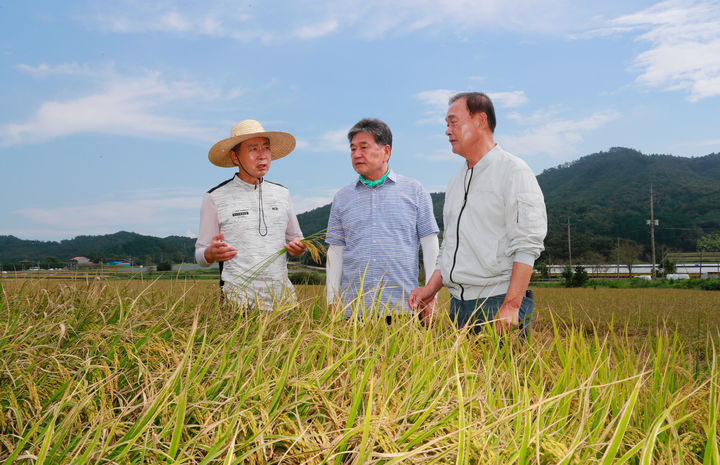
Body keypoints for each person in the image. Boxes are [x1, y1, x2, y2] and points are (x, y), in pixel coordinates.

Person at [409, 93, 547, 336]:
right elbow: (450, 246)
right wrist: (429, 289)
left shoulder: (514, 171)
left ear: (480, 120)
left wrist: (512, 304)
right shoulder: (455, 183)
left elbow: (527, 244)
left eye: (453, 122)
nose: (447, 131)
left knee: (501, 375)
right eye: (446, 124)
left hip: (496, 304)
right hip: (458, 307)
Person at [326, 118, 440, 321]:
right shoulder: (342, 198)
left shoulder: (414, 190)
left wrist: (432, 295)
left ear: (386, 151)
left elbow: (430, 245)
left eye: (364, 147)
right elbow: (335, 253)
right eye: (352, 149)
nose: (356, 154)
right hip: (354, 311)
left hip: (404, 307)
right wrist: (331, 300)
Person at [195, 119, 306, 310]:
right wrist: (212, 252)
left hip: (283, 304)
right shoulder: (215, 197)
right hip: (238, 306)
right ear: (235, 156)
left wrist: (299, 248)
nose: (262, 156)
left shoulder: (283, 194)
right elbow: (200, 256)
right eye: (253, 149)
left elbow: (298, 240)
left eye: (266, 148)